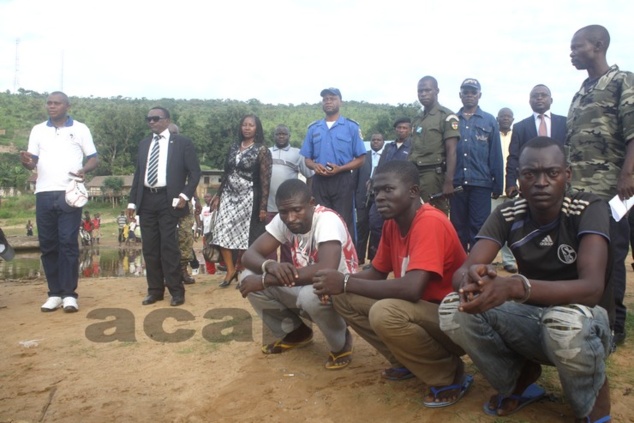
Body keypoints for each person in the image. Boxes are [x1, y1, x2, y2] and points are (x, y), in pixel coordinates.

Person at [439, 137, 612, 422]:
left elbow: (592, 289)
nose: (541, 182)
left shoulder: (588, 207)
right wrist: (472, 278)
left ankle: (594, 402)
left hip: (584, 320)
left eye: (551, 173)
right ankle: (519, 379)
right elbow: (462, 272)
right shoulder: (508, 212)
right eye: (530, 174)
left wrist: (517, 285)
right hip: (532, 317)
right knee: (453, 308)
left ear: (566, 175)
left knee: (564, 322)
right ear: (519, 178)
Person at [313, 160, 471, 407]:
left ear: (413, 192)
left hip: (454, 320)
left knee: (384, 312)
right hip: (423, 313)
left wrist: (344, 280)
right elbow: (376, 273)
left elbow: (411, 288)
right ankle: (405, 361)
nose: (379, 197)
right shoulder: (392, 224)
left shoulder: (430, 221)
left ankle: (449, 374)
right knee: (342, 296)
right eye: (376, 191)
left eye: (388, 190)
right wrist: (335, 284)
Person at [238, 179, 357, 370]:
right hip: (306, 283)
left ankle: (341, 341)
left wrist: (266, 279)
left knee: (309, 295)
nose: (290, 218)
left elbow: (326, 268)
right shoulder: (284, 219)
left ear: (311, 203)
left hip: (339, 292)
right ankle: (297, 333)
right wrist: (269, 265)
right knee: (246, 277)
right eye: (284, 212)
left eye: (297, 210)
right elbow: (249, 255)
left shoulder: (327, 220)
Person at [567, 24, 634, 350]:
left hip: (612, 190)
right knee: (586, 254)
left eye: (577, 47)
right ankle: (588, 313)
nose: (572, 53)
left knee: (611, 255)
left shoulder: (622, 81)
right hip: (580, 193)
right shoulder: (582, 90)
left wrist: (627, 176)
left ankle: (614, 324)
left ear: (598, 45)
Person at [20, 91, 98, 313]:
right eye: (49, 103)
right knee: (48, 245)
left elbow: (93, 157)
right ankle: (54, 294)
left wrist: (85, 169)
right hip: (43, 193)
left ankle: (70, 295)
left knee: (68, 243)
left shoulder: (80, 129)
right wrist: (26, 162)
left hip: (69, 193)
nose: (51, 106)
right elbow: (32, 162)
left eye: (56, 103)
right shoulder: (37, 130)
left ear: (67, 106)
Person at [127, 106, 201, 307]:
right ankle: (155, 291)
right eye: (148, 119)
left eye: (155, 118)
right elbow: (138, 175)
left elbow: (195, 173)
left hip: (170, 200)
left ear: (167, 120)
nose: (151, 122)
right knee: (150, 248)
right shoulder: (144, 144)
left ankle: (177, 291)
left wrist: (185, 195)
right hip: (147, 200)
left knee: (169, 247)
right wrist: (132, 202)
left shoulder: (182, 143)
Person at [211, 114, 272, 288]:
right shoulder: (233, 148)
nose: (246, 128)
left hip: (249, 198)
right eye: (244, 125)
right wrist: (219, 195)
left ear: (256, 128)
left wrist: (263, 207)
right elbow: (226, 173)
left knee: (246, 237)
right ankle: (230, 270)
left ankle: (244, 271)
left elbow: (265, 180)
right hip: (229, 196)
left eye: (251, 125)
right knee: (222, 232)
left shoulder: (262, 150)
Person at [300, 87, 367, 237]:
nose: (328, 101)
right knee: (319, 220)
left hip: (342, 180)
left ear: (340, 102)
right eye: (325, 99)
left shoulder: (351, 127)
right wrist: (314, 166)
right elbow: (307, 159)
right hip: (319, 181)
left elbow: (361, 159)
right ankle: (322, 257)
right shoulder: (313, 128)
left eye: (332, 98)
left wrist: (341, 168)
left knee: (344, 221)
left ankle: (346, 258)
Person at [451, 78, 504, 252]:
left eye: (473, 92)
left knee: (479, 227)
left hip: (481, 183)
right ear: (460, 95)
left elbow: (496, 153)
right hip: (457, 183)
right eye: (465, 92)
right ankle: (458, 267)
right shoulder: (451, 120)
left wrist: (498, 184)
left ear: (479, 95)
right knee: (457, 227)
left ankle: (475, 265)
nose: (469, 96)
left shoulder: (489, 121)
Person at [408, 76, 460, 214]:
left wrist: (449, 181)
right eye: (420, 91)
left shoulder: (447, 117)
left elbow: (452, 151)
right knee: (415, 214)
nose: (423, 94)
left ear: (437, 91)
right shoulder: (418, 119)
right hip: (414, 174)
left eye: (427, 90)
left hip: (433, 174)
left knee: (434, 214)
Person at [506, 84, 567, 198]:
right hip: (531, 183)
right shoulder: (520, 127)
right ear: (529, 101)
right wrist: (511, 183)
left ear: (551, 100)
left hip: (559, 181)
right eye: (535, 96)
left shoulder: (565, 123)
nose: (539, 98)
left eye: (543, 95)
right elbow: (514, 157)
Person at [365, 118, 413, 261]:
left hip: (400, 192)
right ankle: (379, 258)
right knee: (375, 222)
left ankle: (401, 257)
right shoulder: (389, 147)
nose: (402, 130)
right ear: (395, 130)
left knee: (400, 226)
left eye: (405, 128)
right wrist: (372, 180)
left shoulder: (412, 147)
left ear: (410, 130)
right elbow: (380, 166)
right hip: (382, 190)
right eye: (399, 128)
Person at [266, 124, 314, 263]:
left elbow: (310, 176)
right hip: (269, 206)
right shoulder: (266, 152)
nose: (281, 136)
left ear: (289, 136)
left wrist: (307, 196)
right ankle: (272, 271)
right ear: (274, 136)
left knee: (288, 242)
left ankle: (289, 270)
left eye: (284, 134)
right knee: (270, 241)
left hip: (289, 209)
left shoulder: (297, 153)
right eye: (278, 134)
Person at [169, 122, 200, 284]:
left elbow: (192, 179)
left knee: (186, 236)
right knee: (167, 238)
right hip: (164, 203)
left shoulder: (184, 152)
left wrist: (196, 199)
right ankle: (167, 273)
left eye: (175, 134)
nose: (172, 137)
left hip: (184, 203)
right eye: (170, 133)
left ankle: (183, 271)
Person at [493, 108, 518, 273]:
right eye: (503, 116)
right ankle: (489, 259)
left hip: (514, 189)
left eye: (509, 117)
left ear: (513, 119)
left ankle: (509, 261)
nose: (505, 119)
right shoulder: (492, 135)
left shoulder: (517, 136)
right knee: (494, 226)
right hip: (494, 189)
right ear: (497, 118)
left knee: (513, 226)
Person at [353, 133, 384, 264]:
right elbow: (354, 179)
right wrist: (354, 197)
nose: (376, 142)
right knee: (361, 227)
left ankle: (373, 259)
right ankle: (358, 258)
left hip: (379, 197)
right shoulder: (362, 157)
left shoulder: (387, 157)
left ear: (383, 142)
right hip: (362, 197)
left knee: (375, 226)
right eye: (373, 140)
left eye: (378, 140)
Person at [199, 192, 217, 275]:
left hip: (215, 233)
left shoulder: (216, 208)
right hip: (205, 234)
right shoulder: (203, 209)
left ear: (212, 198)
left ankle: (226, 267)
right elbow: (201, 221)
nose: (207, 198)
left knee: (219, 250)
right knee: (207, 252)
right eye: (205, 197)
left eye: (208, 197)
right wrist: (200, 230)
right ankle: (211, 271)